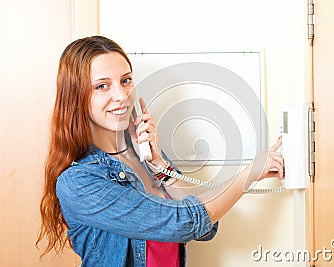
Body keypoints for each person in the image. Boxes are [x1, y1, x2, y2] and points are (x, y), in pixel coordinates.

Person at [36, 35, 284, 267]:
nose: (121, 96)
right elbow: (186, 222)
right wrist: (249, 173)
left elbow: (209, 228)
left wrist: (160, 165)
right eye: (102, 86)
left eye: (126, 80)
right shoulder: (78, 181)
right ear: (75, 96)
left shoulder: (144, 158)